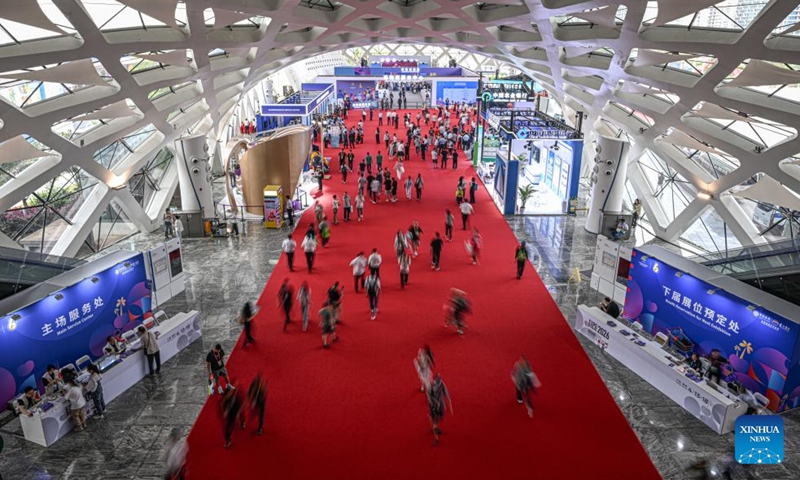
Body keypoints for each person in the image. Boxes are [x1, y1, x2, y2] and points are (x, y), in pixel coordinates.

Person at [426, 373, 453, 446]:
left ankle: (435, 428)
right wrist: (436, 403)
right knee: (434, 420)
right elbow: (429, 396)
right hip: (433, 405)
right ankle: (436, 438)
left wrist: (449, 404)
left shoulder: (440, 384)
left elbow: (446, 394)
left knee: (437, 420)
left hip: (439, 405)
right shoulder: (432, 386)